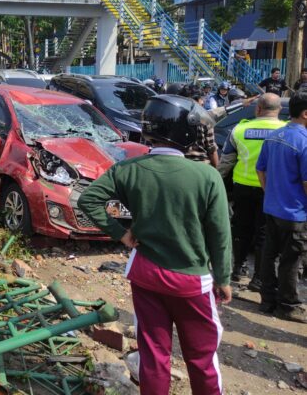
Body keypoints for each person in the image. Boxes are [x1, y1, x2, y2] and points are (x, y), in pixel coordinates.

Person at [78, 94, 232, 395]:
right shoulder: (207, 176)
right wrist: (224, 278)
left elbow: (89, 200)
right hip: (191, 282)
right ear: (186, 132)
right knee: (201, 357)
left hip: (145, 275)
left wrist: (119, 232)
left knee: (153, 354)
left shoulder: (128, 169)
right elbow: (220, 234)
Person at [218, 93, 286, 291]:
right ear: (279, 110)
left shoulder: (239, 129)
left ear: (257, 109)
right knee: (264, 233)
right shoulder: (285, 130)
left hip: (242, 188)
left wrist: (216, 180)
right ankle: (259, 278)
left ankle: (238, 269)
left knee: (241, 229)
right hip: (271, 189)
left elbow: (226, 162)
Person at [255, 91, 307, 323]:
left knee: (269, 254)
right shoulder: (304, 141)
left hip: (273, 207)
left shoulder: (275, 136)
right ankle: (287, 305)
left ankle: (267, 300)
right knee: (291, 259)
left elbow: (260, 169)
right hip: (295, 212)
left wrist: (271, 193)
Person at [178, 85, 219, 166]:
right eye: (201, 99)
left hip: (179, 165)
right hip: (202, 166)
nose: (203, 102)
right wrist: (217, 171)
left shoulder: (175, 117)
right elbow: (211, 149)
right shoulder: (205, 119)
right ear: (197, 100)